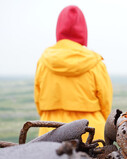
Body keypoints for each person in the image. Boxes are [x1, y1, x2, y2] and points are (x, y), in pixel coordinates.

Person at [34, 5, 113, 141]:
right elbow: (105, 103)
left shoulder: (44, 61)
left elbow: (39, 101)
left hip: (50, 131)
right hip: (90, 133)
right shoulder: (95, 62)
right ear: (83, 32)